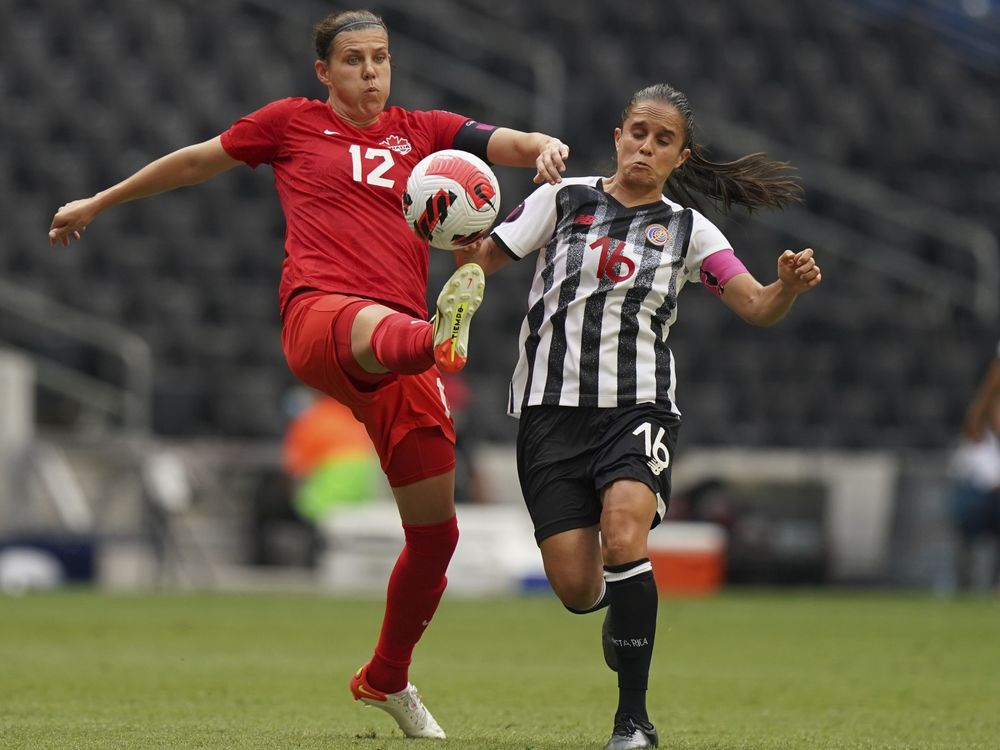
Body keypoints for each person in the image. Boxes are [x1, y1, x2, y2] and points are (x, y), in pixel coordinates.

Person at [47, 8, 569, 740]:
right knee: (378, 328)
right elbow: (196, 160)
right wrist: (100, 202)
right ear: (323, 71)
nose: (371, 73)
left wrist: (543, 145)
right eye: (354, 60)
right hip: (323, 315)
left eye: (381, 58)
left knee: (436, 537)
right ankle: (435, 336)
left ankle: (386, 677)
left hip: (399, 348)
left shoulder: (421, 131)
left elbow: (498, 141)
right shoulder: (290, 123)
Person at [456, 83, 822, 749]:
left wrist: (786, 288)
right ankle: (618, 605)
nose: (646, 147)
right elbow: (481, 260)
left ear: (681, 157)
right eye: (638, 133)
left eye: (663, 140)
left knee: (625, 535)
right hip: (549, 412)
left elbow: (755, 305)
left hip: (638, 407)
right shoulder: (562, 199)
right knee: (574, 587)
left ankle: (634, 721)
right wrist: (453, 222)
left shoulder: (689, 230)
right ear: (618, 137)